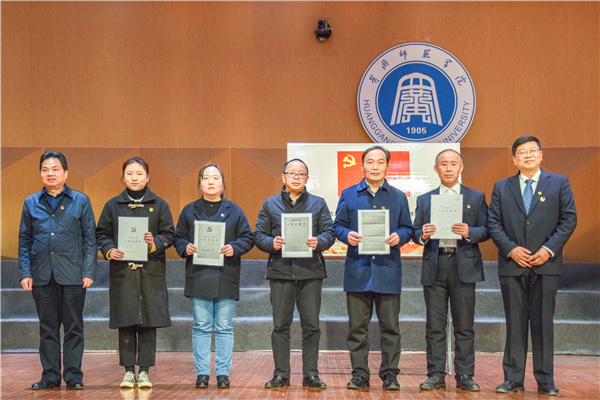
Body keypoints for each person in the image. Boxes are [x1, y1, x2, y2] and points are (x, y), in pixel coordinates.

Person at [488, 136, 577, 396]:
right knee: (514, 323)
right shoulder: (502, 187)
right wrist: (511, 249)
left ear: (541, 155)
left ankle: (545, 380)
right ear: (514, 159)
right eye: (521, 152)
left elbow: (569, 220)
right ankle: (513, 379)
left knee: (542, 324)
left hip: (546, 265)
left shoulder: (559, 182)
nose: (527, 155)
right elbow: (493, 222)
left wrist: (548, 250)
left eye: (532, 151)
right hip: (512, 265)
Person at [333, 145, 414, 391]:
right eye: (370, 162)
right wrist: (348, 235)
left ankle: (390, 375)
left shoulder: (398, 196)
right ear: (362, 166)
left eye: (380, 162)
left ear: (388, 166)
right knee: (357, 329)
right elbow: (337, 226)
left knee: (391, 329)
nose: (375, 166)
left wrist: (399, 236)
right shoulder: (348, 194)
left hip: (388, 270)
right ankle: (360, 375)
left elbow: (408, 228)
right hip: (358, 270)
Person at [18, 151, 97, 390]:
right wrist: (25, 272)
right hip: (41, 274)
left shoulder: (80, 200)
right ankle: (50, 375)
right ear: (40, 173)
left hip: (73, 274)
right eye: (45, 169)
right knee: (47, 327)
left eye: (55, 169)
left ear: (65, 173)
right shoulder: (31, 202)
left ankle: (73, 376)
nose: (50, 173)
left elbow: (90, 239)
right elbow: (24, 240)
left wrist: (89, 270)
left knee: (74, 327)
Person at [254, 158, 335, 390]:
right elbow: (258, 234)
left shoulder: (318, 204)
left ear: (307, 178)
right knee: (280, 326)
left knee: (312, 326)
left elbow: (330, 233)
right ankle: (281, 374)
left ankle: (311, 374)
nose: (296, 177)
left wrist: (319, 241)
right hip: (281, 272)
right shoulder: (270, 204)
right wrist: (273, 243)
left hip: (310, 273)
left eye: (301, 174)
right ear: (283, 177)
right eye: (292, 173)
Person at [412, 149, 489, 391]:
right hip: (435, 264)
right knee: (434, 326)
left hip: (463, 264)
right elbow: (414, 232)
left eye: (453, 164)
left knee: (464, 325)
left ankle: (465, 375)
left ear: (461, 167)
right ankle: (435, 374)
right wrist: (422, 235)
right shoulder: (425, 200)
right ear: (436, 169)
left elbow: (487, 230)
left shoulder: (476, 197)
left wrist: (470, 232)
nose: (448, 168)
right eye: (443, 164)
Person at [96, 157, 175, 389]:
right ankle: (129, 371)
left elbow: (170, 234)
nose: (134, 177)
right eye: (129, 173)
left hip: (150, 272)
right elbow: (101, 234)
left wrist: (154, 242)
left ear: (148, 177)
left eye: (139, 173)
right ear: (123, 177)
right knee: (126, 321)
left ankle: (145, 372)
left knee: (148, 323)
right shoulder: (112, 205)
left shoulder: (159, 205)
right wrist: (110, 250)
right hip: (123, 272)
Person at [174, 164, 254, 389]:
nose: (211, 181)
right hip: (199, 275)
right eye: (206, 178)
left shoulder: (234, 210)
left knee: (224, 326)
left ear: (222, 183)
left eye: (215, 177)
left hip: (225, 274)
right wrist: (185, 247)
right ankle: (201, 373)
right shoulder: (189, 210)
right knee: (200, 325)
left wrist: (234, 247)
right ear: (199, 183)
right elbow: (178, 237)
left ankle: (222, 373)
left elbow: (248, 237)